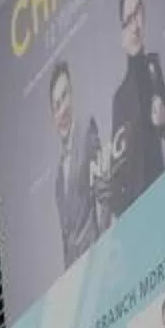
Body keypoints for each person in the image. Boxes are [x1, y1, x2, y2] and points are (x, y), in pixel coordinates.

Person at [107, 0, 165, 210]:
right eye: (128, 19)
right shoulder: (119, 98)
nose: (135, 24)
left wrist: (164, 119)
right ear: (121, 32)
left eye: (138, 12)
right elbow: (117, 168)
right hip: (139, 206)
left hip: (163, 190)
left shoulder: (153, 65)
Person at [49, 60, 108, 267]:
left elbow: (104, 192)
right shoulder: (57, 178)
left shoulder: (85, 130)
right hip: (76, 274)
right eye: (56, 106)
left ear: (72, 96)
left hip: (96, 256)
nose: (61, 110)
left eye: (64, 97)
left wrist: (103, 244)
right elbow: (66, 239)